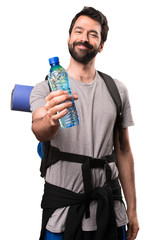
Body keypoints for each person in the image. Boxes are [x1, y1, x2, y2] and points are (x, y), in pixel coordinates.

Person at [30, 6, 139, 240]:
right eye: (79, 31)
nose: (84, 38)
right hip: (62, 214)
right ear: (69, 38)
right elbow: (39, 129)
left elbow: (123, 150)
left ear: (100, 45)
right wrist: (51, 119)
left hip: (109, 211)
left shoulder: (117, 90)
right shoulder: (46, 88)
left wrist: (132, 209)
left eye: (93, 34)